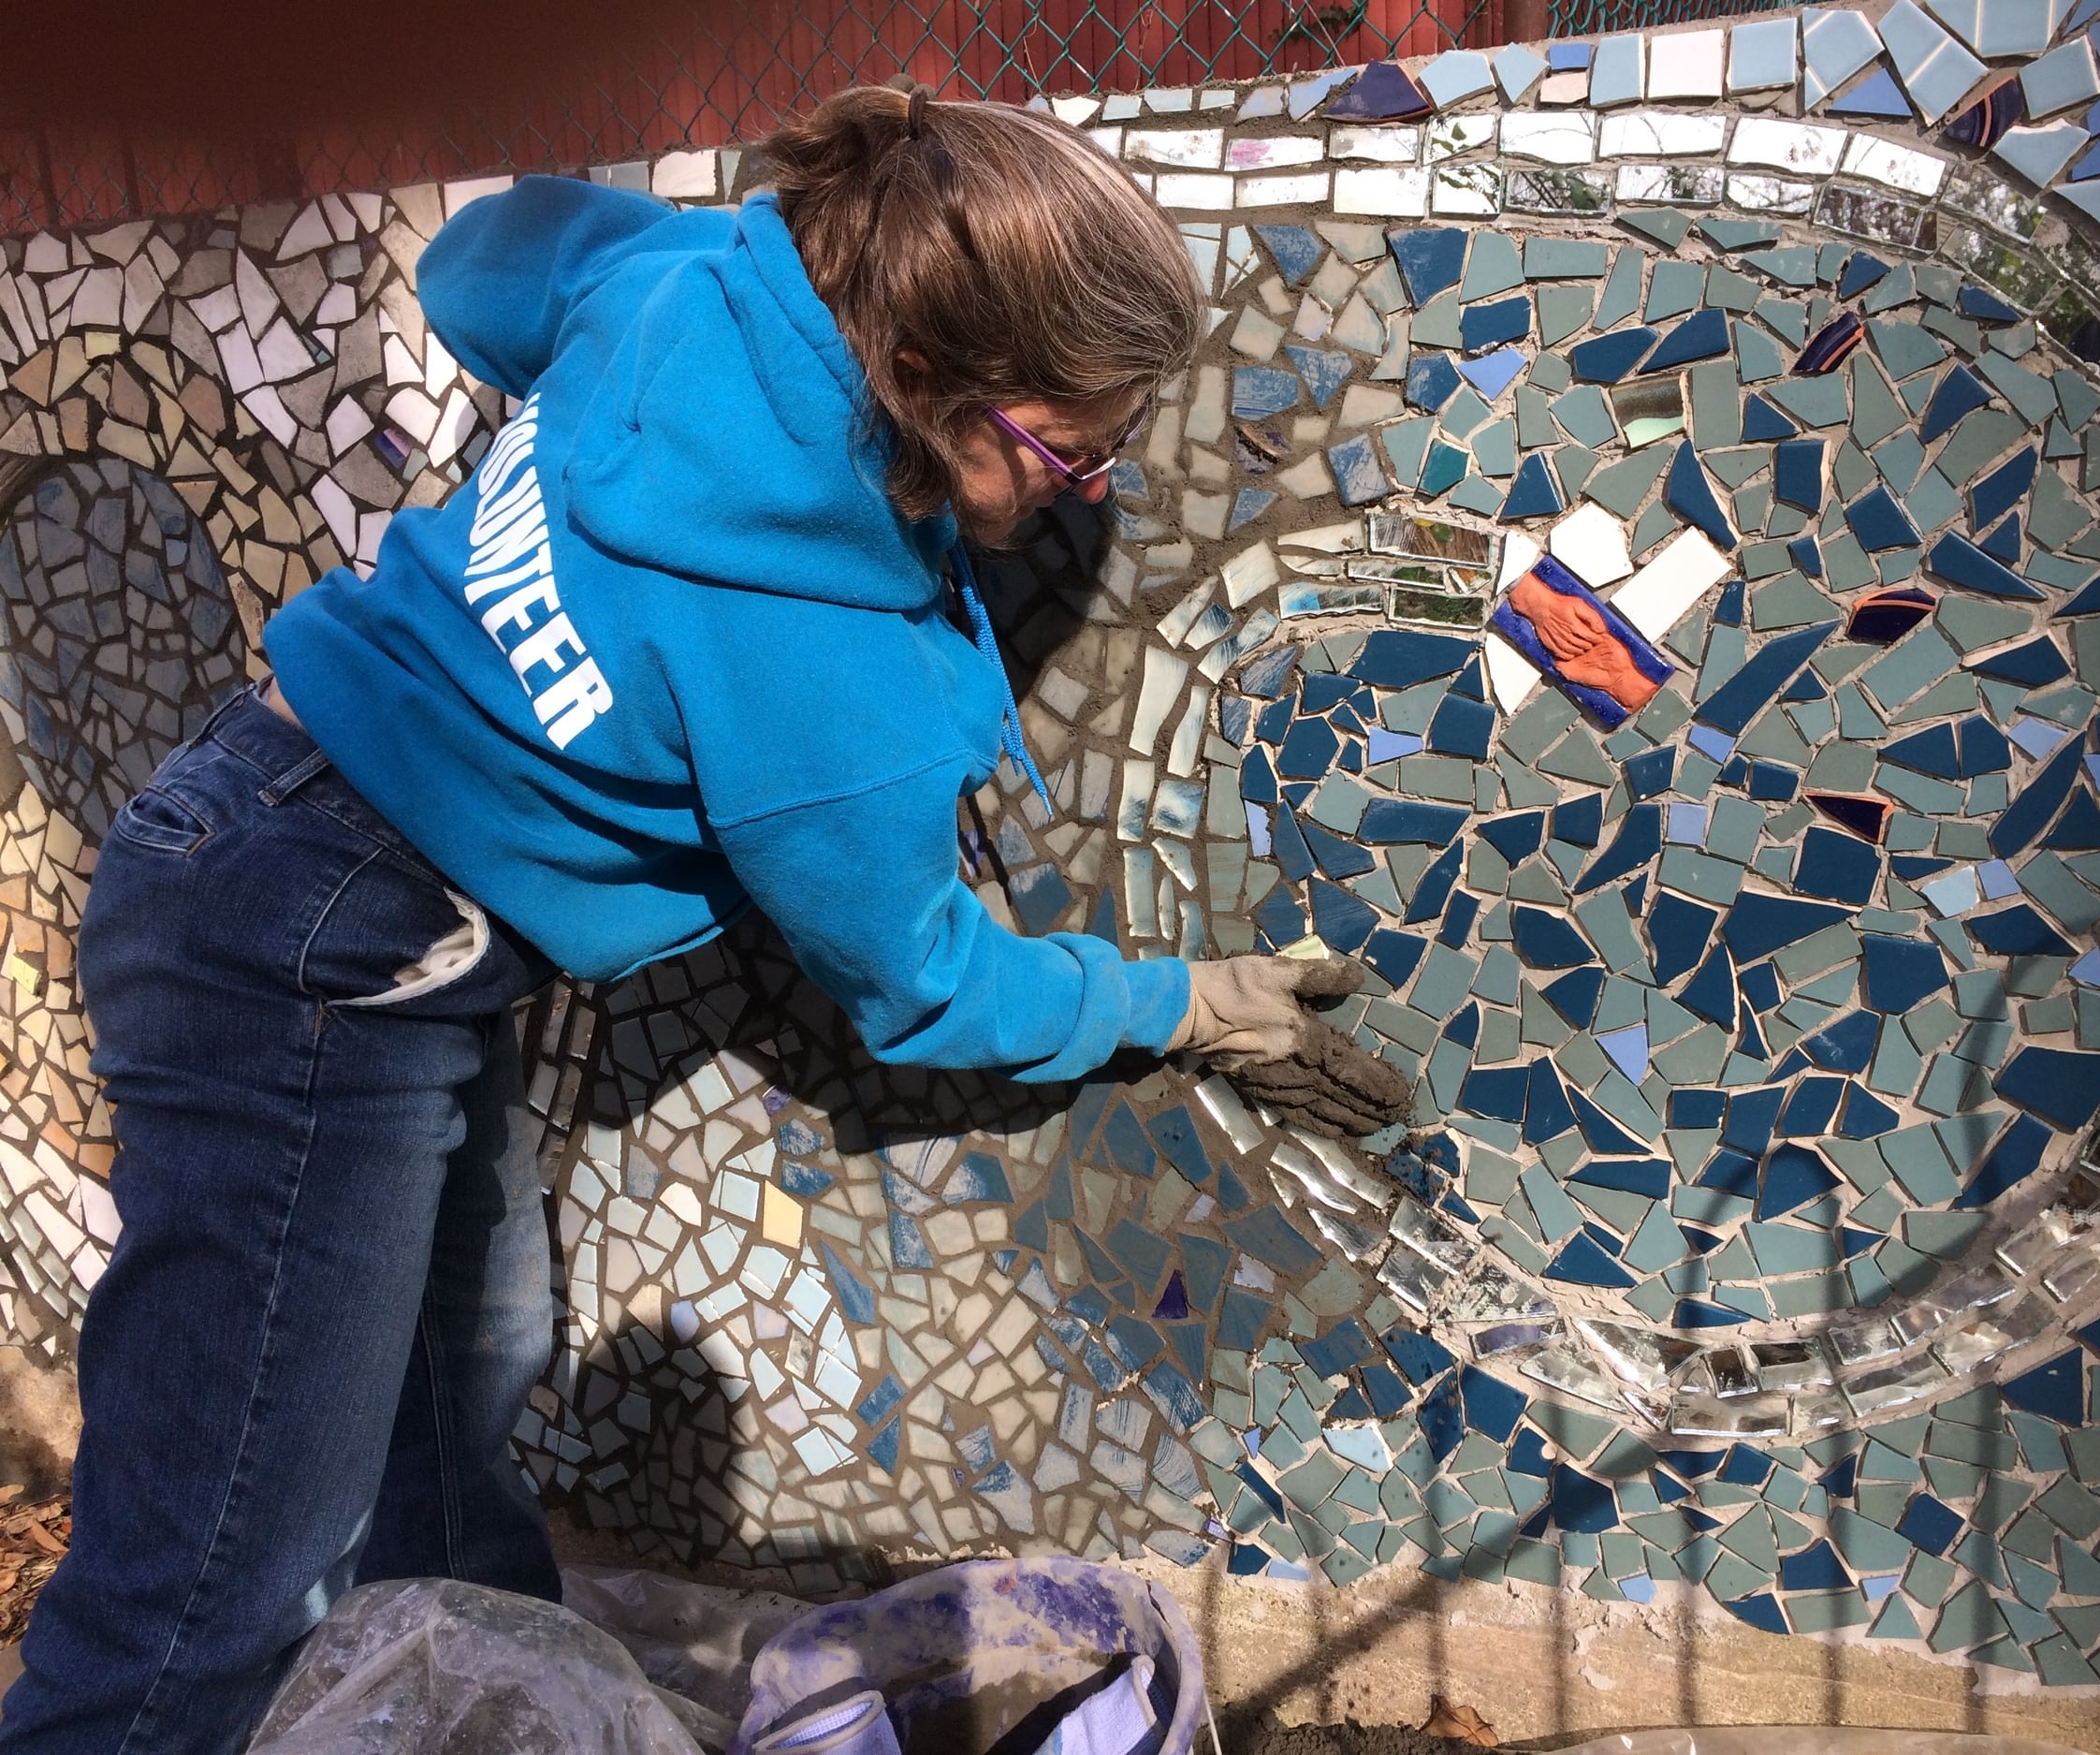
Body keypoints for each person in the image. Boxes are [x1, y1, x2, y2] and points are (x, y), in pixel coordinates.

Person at [0, 85, 1407, 1754]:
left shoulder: (698, 286)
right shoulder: (836, 682)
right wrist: (1185, 1004)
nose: (1094, 487)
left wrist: (645, 304)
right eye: (1071, 442)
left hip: (299, 851)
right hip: (315, 950)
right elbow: (924, 985)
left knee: (467, 1386)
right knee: (221, 1577)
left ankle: (495, 1709)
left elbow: (474, 268)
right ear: (933, 384)